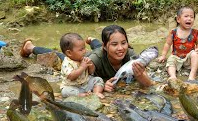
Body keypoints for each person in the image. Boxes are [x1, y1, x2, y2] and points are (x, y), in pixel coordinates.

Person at [20, 25, 154, 92]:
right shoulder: (95, 59)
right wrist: (105, 82)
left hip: (100, 49)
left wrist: (140, 75)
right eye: (114, 44)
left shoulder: (130, 54)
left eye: (123, 43)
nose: (121, 48)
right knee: (61, 56)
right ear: (106, 46)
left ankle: (91, 40)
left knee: (100, 48)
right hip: (91, 56)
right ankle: (30, 47)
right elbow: (88, 79)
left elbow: (149, 84)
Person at [157, 6, 198, 81]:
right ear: (178, 19)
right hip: (176, 56)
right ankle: (173, 76)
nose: (189, 19)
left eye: (192, 17)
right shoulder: (173, 32)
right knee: (171, 60)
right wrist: (163, 55)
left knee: (195, 54)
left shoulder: (195, 32)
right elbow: (167, 44)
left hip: (189, 58)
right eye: (186, 16)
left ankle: (192, 75)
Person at [58, 33, 105, 99]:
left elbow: (91, 72)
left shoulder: (83, 59)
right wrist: (82, 67)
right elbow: (71, 77)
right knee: (65, 91)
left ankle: (96, 92)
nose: (85, 51)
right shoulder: (67, 63)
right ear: (69, 53)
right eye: (81, 50)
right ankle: (82, 95)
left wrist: (90, 65)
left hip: (86, 84)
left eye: (84, 48)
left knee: (98, 79)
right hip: (72, 87)